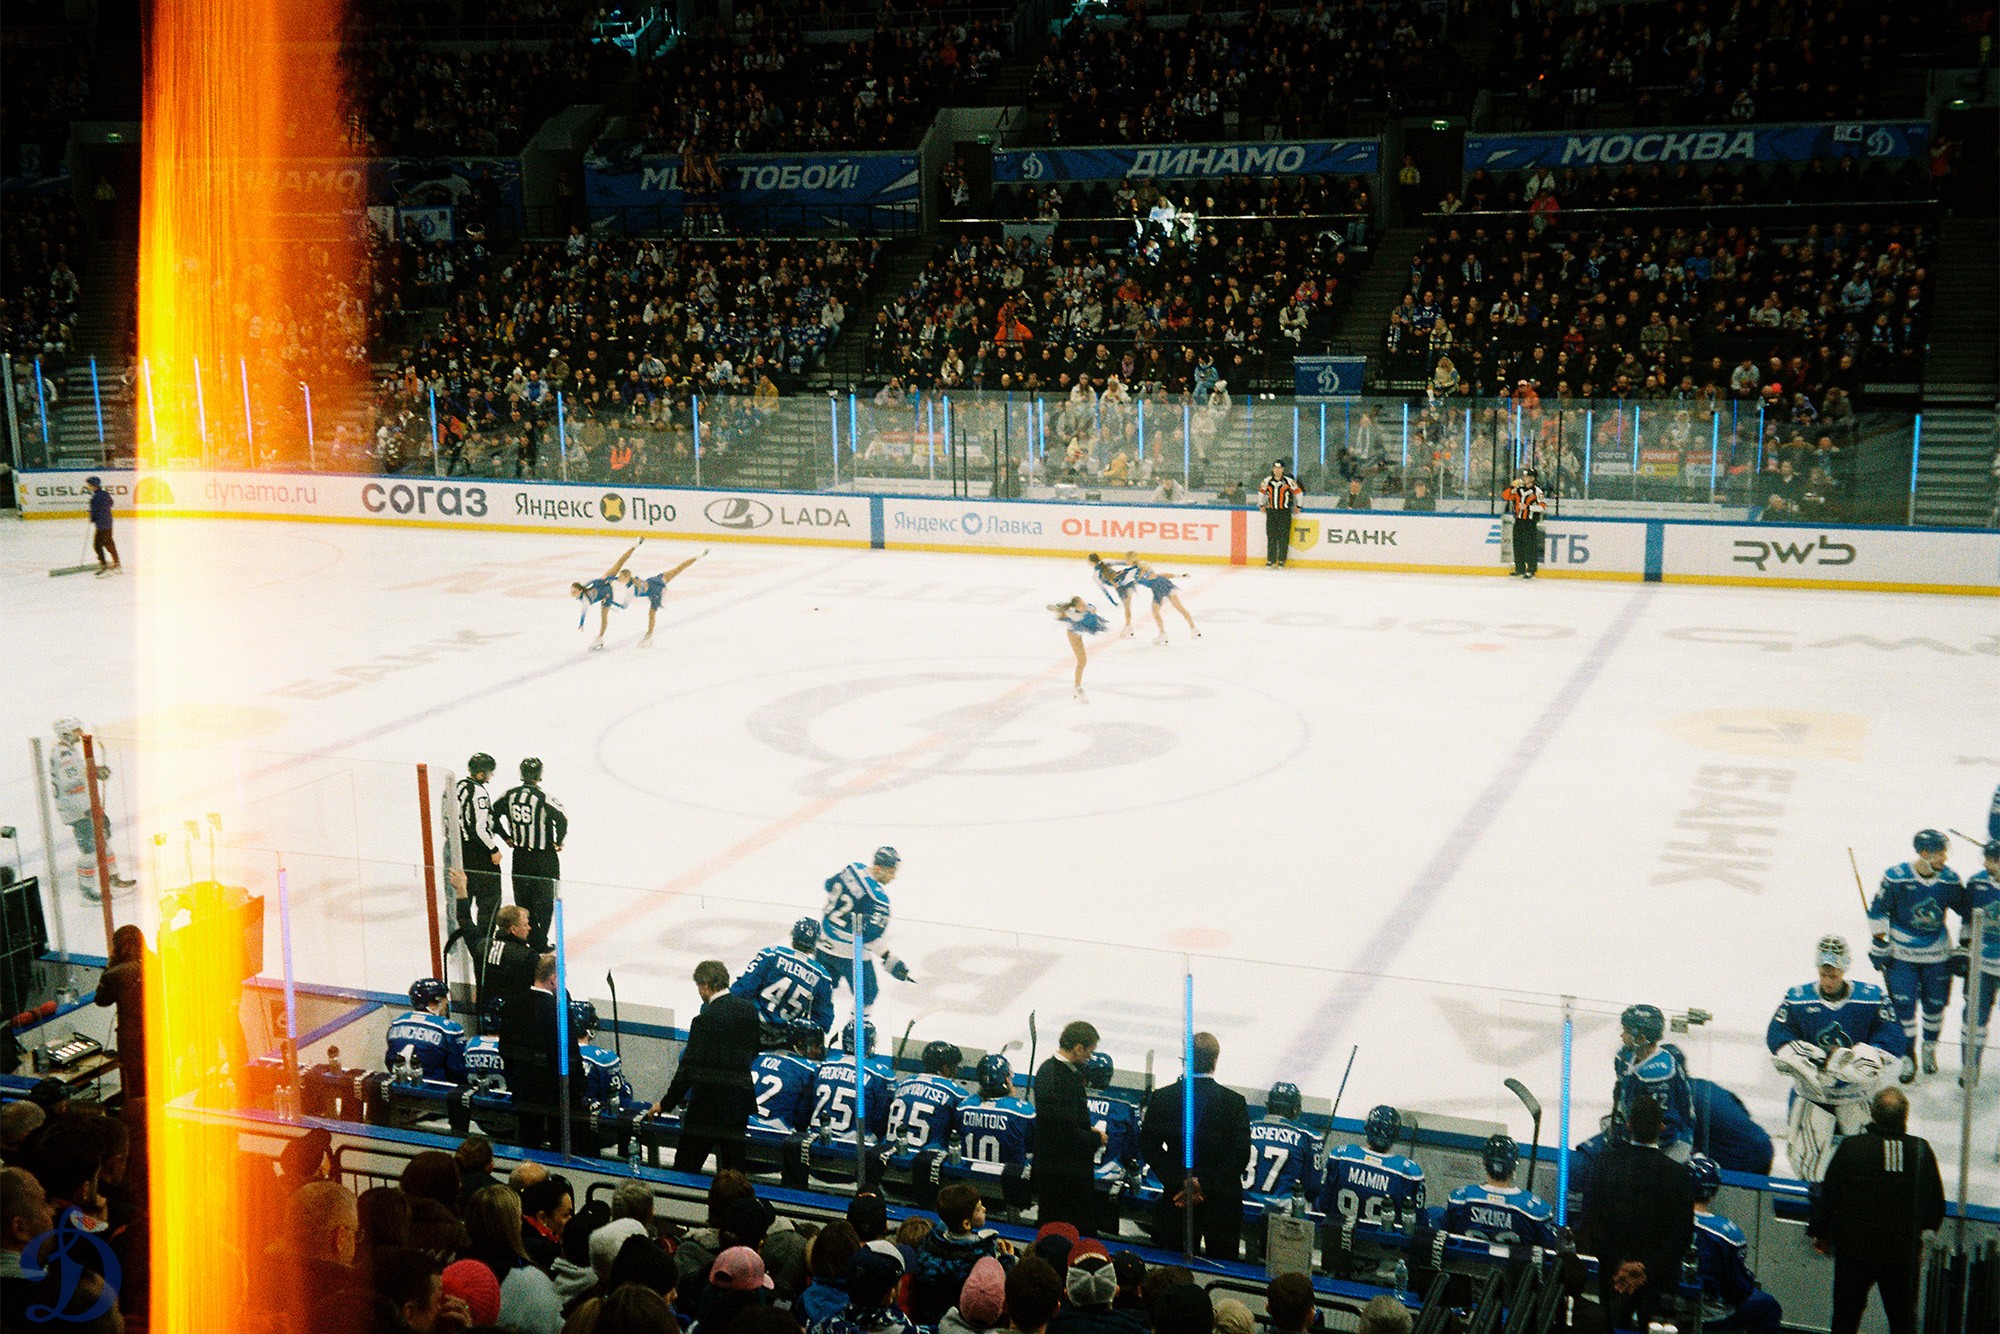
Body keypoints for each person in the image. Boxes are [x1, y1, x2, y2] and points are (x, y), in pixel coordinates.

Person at [1772, 933, 1908, 1182]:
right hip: (1813, 1098)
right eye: (1823, 974)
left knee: (1862, 1169)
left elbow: (1894, 1037)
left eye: (1833, 975)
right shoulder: (1797, 998)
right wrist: (1808, 1058)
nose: (1827, 981)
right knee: (1807, 1167)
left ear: (1844, 968)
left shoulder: (1872, 998)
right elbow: (1777, 1035)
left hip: (1857, 1097)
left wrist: (1863, 1058)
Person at [1808, 1089, 1944, 1334]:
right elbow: (1935, 1204)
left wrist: (1821, 1233)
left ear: (1872, 1113)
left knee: (1845, 1318)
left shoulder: (1852, 1147)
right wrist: (1923, 1235)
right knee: (1902, 1320)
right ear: (1905, 1116)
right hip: (1901, 1253)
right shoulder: (1920, 1150)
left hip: (1854, 1252)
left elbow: (1830, 1195)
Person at [1578, 1094, 1693, 1333]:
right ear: (1661, 1127)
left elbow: (1590, 1222)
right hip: (1656, 1281)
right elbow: (1682, 1235)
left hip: (1614, 1276)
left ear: (1628, 1125)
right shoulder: (1678, 1175)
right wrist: (1645, 1269)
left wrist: (1619, 1265)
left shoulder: (1603, 1165)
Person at [1139, 1031, 1251, 1259]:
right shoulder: (1234, 1103)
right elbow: (1239, 1155)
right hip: (1221, 1205)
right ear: (1215, 1061)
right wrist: (1205, 1185)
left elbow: (1149, 1147)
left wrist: (1180, 1181)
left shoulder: (1163, 1097)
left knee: (1174, 1269)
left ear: (1186, 1060)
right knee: (1224, 1269)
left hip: (1177, 1200)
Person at [1870, 829, 1962, 1080]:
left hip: (1937, 955)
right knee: (1903, 1008)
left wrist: (1964, 945)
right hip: (1902, 955)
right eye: (1940, 853)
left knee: (1935, 1007)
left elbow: (1968, 911)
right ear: (1924, 854)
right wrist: (1879, 941)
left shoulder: (1949, 880)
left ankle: (1929, 1048)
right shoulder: (1896, 878)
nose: (1945, 858)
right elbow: (1878, 909)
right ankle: (1908, 1054)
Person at [653, 960, 760, 1174]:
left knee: (685, 1168)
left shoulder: (704, 1020)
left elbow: (687, 1070)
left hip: (707, 1109)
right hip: (738, 1105)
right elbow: (754, 1050)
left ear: (705, 985)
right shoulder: (749, 1011)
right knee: (734, 1172)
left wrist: (665, 1103)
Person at [1688, 1154, 1782, 1334]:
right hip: (1712, 1314)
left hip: (1673, 1306)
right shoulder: (1727, 1233)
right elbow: (1738, 1289)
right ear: (1714, 1191)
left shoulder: (1670, 1220)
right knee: (1768, 1305)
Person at [501, 953, 586, 1152]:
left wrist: (517, 1079)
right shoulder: (558, 1011)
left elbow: (505, 1048)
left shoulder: (512, 1004)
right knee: (561, 1147)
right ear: (554, 980)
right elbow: (570, 1057)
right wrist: (579, 1086)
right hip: (555, 1095)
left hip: (524, 1090)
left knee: (527, 1144)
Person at [817, 847, 916, 1009]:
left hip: (822, 943)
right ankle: (857, 1025)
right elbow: (868, 937)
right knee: (868, 994)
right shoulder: (878, 900)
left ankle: (810, 1022)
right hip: (848, 953)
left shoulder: (853, 868)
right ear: (878, 868)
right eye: (891, 872)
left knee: (819, 990)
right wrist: (888, 957)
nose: (893, 877)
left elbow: (828, 885)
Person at [1032, 1021, 1105, 1234]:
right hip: (1065, 1177)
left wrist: (1086, 1129)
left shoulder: (1047, 1068)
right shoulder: (1063, 1079)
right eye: (1090, 1051)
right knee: (1069, 1232)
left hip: (1052, 1169)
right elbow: (1066, 1134)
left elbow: (1061, 1122)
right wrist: (1096, 1139)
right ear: (1079, 1048)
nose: (1090, 1057)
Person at [49, 717, 132, 902]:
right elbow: (73, 780)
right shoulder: (63, 755)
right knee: (90, 852)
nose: (80, 734)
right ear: (65, 733)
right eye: (76, 731)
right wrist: (95, 772)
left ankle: (113, 878)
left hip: (85, 805)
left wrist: (94, 771)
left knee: (103, 841)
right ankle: (86, 891)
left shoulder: (67, 751)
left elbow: (78, 774)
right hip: (78, 810)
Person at [908, 1184, 1009, 1326]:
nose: (984, 1209)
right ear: (966, 1224)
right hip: (960, 1323)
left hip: (926, 1320)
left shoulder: (928, 1243)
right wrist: (1007, 1260)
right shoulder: (980, 1256)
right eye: (979, 1209)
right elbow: (995, 1286)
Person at [497, 758, 566, 954]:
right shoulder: (543, 797)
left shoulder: (510, 795)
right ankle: (539, 941)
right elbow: (561, 818)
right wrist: (558, 840)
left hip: (520, 856)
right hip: (544, 858)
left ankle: (525, 938)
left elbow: (492, 814)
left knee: (523, 901)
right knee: (545, 902)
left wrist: (506, 837)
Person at [732, 918, 837, 1047]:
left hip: (751, 1029)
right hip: (788, 1040)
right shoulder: (822, 976)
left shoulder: (771, 954)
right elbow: (824, 1021)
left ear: (793, 935)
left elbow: (743, 989)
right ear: (815, 943)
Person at [1317, 1105, 1425, 1228]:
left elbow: (1322, 1203)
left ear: (1367, 1127)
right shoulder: (1409, 1172)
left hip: (1337, 1235)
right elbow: (1418, 1223)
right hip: (1383, 1239)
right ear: (1396, 1135)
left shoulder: (1340, 1156)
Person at [1442, 1135, 1554, 1249]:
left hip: (1466, 1260)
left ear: (1484, 1162)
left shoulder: (1461, 1198)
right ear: (1515, 1165)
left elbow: (1444, 1239)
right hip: (1513, 1261)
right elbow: (1550, 1250)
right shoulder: (1535, 1209)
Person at [1613, 1003, 1694, 1159]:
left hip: (1664, 1145)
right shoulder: (1626, 1057)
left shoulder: (1658, 1073)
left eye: (1626, 1031)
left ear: (1641, 1038)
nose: (1621, 1035)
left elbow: (1656, 1127)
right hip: (1637, 1137)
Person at [1953, 839, 2000, 1084]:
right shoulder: (1977, 883)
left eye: (1992, 860)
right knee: (1973, 1018)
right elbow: (1967, 919)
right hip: (1981, 963)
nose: (1986, 864)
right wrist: (1964, 947)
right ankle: (1969, 1065)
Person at [449, 753, 503, 958]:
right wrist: (493, 849)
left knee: (463, 895)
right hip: (478, 853)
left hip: (459, 849)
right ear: (481, 773)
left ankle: (456, 942)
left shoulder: (458, 787)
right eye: (488, 772)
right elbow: (478, 829)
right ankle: (484, 945)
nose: (490, 776)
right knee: (489, 900)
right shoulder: (478, 792)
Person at [1081, 1052, 1142, 1230]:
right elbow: (1134, 1147)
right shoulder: (1125, 1105)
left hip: (1075, 1177)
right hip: (1107, 1184)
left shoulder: (1072, 1098)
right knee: (1104, 1239)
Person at [808, 1019, 894, 1141]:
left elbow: (806, 1107)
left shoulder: (821, 1066)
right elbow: (880, 1120)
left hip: (817, 1137)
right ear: (868, 1043)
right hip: (854, 1145)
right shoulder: (880, 1074)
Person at [1242, 1082, 1321, 1213]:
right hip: (1281, 1212)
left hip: (1242, 1205)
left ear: (1269, 1105)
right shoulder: (1307, 1135)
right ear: (1295, 1109)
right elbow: (1313, 1187)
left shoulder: (1246, 1126)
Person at [93, 923, 148, 1103]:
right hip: (158, 1035)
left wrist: (110, 966)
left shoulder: (115, 973)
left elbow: (101, 1000)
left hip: (132, 1041)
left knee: (136, 1087)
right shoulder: (155, 964)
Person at [885, 1041, 966, 1155]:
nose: (956, 1070)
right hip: (926, 1159)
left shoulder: (901, 1084)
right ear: (945, 1067)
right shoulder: (956, 1093)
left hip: (891, 1153)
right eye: (954, 1066)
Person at [385, 977, 469, 1086]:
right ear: (434, 1001)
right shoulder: (449, 1028)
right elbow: (458, 1070)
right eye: (444, 998)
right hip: (434, 1090)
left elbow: (389, 1060)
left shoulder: (397, 1022)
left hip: (398, 1087)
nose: (447, 1002)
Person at [960, 1053, 1035, 1168]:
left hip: (966, 1175)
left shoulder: (962, 1107)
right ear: (1006, 1080)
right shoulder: (1024, 1112)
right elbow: (1032, 1147)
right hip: (1009, 1177)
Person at [619, 550, 703, 647]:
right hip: (656, 582)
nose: (618, 578)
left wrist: (610, 601)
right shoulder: (633, 582)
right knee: (678, 569)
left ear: (626, 578)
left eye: (620, 577)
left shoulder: (633, 588)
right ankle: (696, 557)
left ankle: (649, 635)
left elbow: (625, 605)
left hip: (656, 591)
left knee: (652, 613)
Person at [750, 1027, 824, 1134]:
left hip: (744, 1123)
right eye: (815, 1045)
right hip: (771, 1132)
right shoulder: (808, 1070)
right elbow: (803, 1119)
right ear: (801, 1043)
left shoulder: (759, 1057)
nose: (818, 1051)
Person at [571, 540, 642, 651]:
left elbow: (594, 581)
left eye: (574, 591)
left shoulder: (586, 587)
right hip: (607, 595)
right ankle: (600, 638)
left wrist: (610, 578)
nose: (572, 593)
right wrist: (581, 624)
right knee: (604, 618)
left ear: (580, 590)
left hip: (604, 582)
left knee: (619, 563)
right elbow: (584, 613)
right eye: (572, 591)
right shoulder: (585, 601)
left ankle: (635, 545)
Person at [481, 904, 538, 1028]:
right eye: (525, 925)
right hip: (518, 1020)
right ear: (513, 929)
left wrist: (462, 896)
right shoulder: (528, 956)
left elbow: (467, 924)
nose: (529, 928)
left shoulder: (483, 946)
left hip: (487, 1017)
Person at [1123, 553, 1199, 645]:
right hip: (1166, 583)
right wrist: (1179, 576)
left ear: (1129, 560)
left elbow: (1126, 583)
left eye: (1126, 559)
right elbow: (1161, 575)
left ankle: (1162, 634)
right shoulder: (1143, 566)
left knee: (1155, 612)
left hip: (1157, 588)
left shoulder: (1132, 572)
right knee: (1179, 607)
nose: (1124, 561)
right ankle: (1194, 629)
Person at [1051, 597, 1109, 702]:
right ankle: (1077, 688)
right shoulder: (1072, 614)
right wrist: (1058, 611)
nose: (1083, 606)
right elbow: (1061, 614)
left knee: (1082, 661)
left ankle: (1077, 688)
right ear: (1076, 607)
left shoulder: (1088, 608)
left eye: (1083, 603)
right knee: (1082, 661)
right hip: (1074, 635)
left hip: (1080, 630)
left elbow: (1093, 610)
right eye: (1081, 605)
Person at [1502, 468, 1547, 577]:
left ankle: (1531, 569)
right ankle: (1519, 568)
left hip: (1530, 522)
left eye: (1527, 476)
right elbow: (1506, 496)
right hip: (1518, 521)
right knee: (1518, 545)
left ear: (1533, 478)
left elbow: (1542, 507)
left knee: (1530, 546)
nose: (1524, 478)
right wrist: (1511, 487)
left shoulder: (1537, 491)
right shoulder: (1518, 489)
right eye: (1524, 476)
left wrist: (1528, 507)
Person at [1257, 461, 1302, 567]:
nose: (1277, 470)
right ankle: (1271, 560)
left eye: (1280, 468)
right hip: (1271, 512)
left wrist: (1298, 505)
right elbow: (1261, 492)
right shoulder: (1267, 481)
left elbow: (1298, 492)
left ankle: (1282, 560)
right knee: (1271, 536)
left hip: (1284, 512)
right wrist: (1261, 504)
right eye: (1275, 468)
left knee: (1283, 536)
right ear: (1273, 469)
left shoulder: (1289, 481)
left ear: (1283, 469)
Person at [83, 476, 120, 576]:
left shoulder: (95, 498)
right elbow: (111, 503)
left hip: (101, 525)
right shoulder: (105, 494)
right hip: (108, 522)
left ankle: (104, 565)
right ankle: (117, 562)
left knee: (97, 545)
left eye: (89, 485)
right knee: (109, 543)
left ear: (94, 486)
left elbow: (94, 512)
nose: (89, 487)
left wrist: (92, 517)